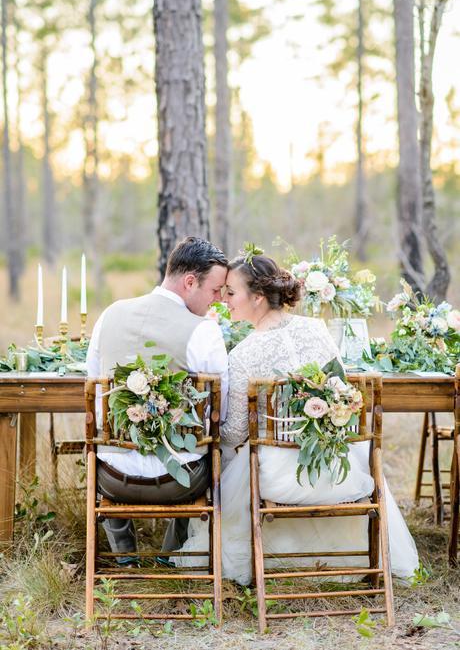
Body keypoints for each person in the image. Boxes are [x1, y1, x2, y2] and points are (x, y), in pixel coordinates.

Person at [174, 252, 419, 583]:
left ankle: (272, 557)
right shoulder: (317, 330)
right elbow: (343, 394)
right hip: (339, 468)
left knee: (237, 460)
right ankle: (351, 556)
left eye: (231, 292)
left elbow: (232, 433)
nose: (224, 301)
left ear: (258, 298)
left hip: (279, 478)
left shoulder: (243, 354)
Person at [86, 236, 229, 564]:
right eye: (215, 290)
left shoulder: (109, 315)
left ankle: (126, 557)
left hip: (109, 478)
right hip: (176, 484)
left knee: (104, 443)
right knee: (210, 447)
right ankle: (170, 556)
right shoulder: (204, 331)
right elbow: (223, 413)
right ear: (190, 282)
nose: (217, 300)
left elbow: (95, 394)